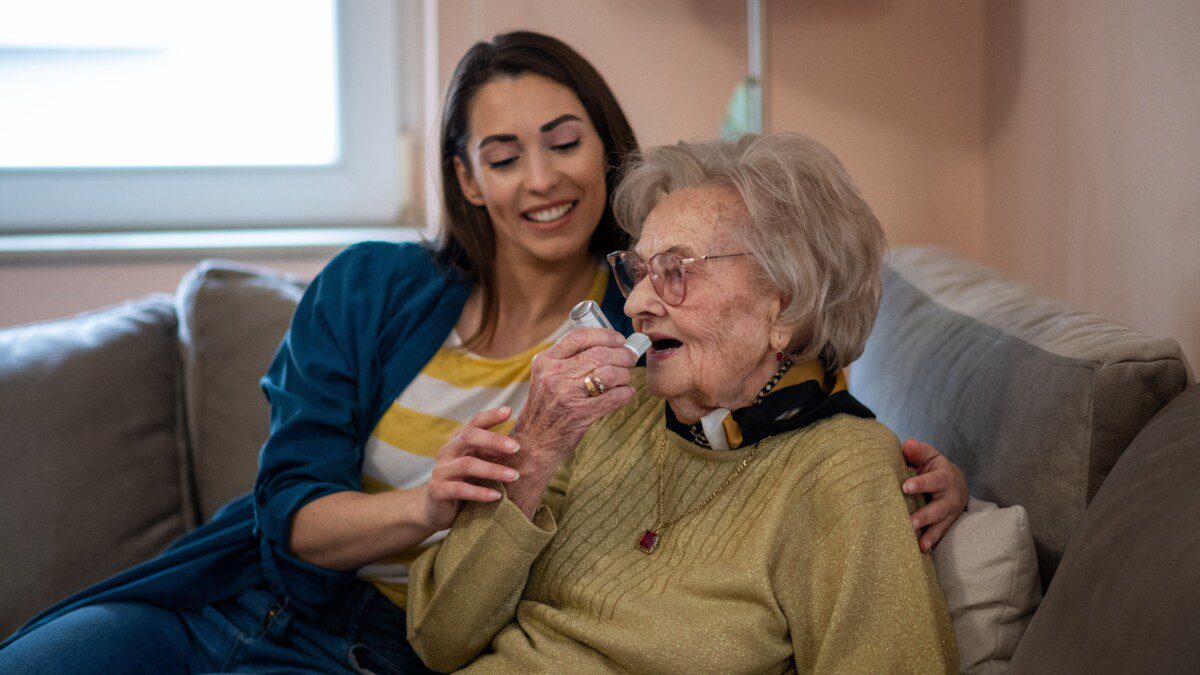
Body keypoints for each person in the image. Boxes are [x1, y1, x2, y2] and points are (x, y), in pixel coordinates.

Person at [0, 32, 965, 673]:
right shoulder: (391, 293)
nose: (539, 178)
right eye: (502, 156)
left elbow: (790, 389)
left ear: (605, 149)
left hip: (376, 653)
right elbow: (287, 513)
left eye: (563, 141)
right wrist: (462, 491)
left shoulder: (635, 333)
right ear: (465, 178)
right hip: (252, 598)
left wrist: (920, 476)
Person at [406, 132, 958, 672]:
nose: (639, 304)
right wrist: (531, 453)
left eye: (677, 271)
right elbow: (438, 637)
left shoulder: (843, 469)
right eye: (638, 271)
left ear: (785, 306)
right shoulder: (612, 411)